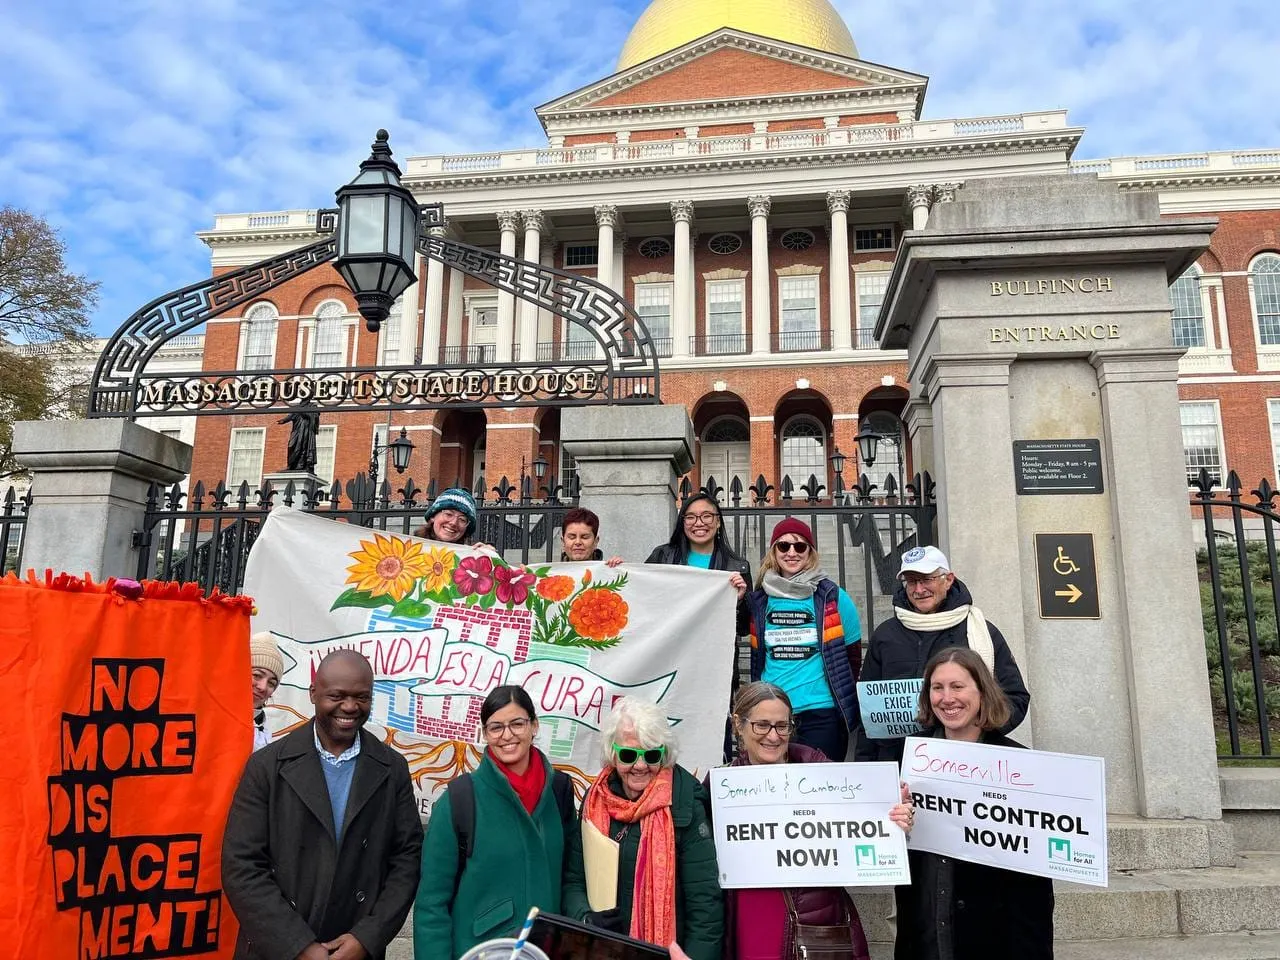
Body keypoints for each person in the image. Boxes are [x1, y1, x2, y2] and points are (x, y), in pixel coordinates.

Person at [222, 649, 422, 960]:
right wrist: (297, 945)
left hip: (355, 950)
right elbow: (241, 865)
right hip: (274, 949)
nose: (350, 707)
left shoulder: (392, 769)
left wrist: (367, 937)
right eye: (337, 695)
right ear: (314, 693)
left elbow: (407, 860)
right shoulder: (267, 766)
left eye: (362, 697)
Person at [715, 682, 917, 960]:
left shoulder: (822, 773)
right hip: (747, 914)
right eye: (762, 725)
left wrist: (898, 814)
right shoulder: (718, 788)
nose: (773, 736)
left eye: (782, 726)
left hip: (813, 918)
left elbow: (873, 813)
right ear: (739, 724)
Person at [896, 648, 1054, 960]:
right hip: (926, 933)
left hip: (996, 939)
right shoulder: (904, 759)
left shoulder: (1021, 765)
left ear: (982, 691)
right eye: (937, 688)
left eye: (958, 686)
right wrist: (895, 825)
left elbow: (1035, 892)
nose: (947, 698)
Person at [413, 685, 576, 960]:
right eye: (496, 727)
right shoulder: (459, 800)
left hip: (546, 951)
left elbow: (571, 876)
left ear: (534, 725)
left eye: (517, 723)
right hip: (479, 952)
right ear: (484, 733)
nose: (507, 735)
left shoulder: (559, 790)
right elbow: (431, 905)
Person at [563, 698, 723, 960]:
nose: (639, 766)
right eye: (628, 755)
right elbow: (574, 880)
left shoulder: (685, 805)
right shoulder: (595, 801)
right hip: (604, 951)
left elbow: (705, 906)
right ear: (613, 754)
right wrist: (585, 919)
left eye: (651, 755)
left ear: (664, 755)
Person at [855, 546, 1030, 765]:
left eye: (927, 579)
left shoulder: (981, 630)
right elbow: (868, 713)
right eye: (911, 581)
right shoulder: (885, 635)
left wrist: (971, 727)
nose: (919, 589)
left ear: (948, 579)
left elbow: (1016, 697)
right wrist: (867, 765)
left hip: (970, 762)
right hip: (898, 761)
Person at [745, 518, 862, 762]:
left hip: (821, 713)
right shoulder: (759, 600)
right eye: (783, 546)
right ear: (773, 551)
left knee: (821, 790)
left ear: (810, 553)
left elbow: (852, 656)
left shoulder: (833, 597)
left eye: (800, 546)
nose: (791, 552)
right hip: (771, 712)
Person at [249, 631, 283, 752]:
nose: (263, 687)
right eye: (257, 675)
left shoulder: (263, 731)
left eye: (271, 683)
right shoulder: (210, 716)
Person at [414, 487, 479, 544]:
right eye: (448, 514)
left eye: (462, 519)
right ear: (433, 516)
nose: (453, 523)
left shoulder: (471, 556)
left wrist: (488, 555)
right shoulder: (409, 548)